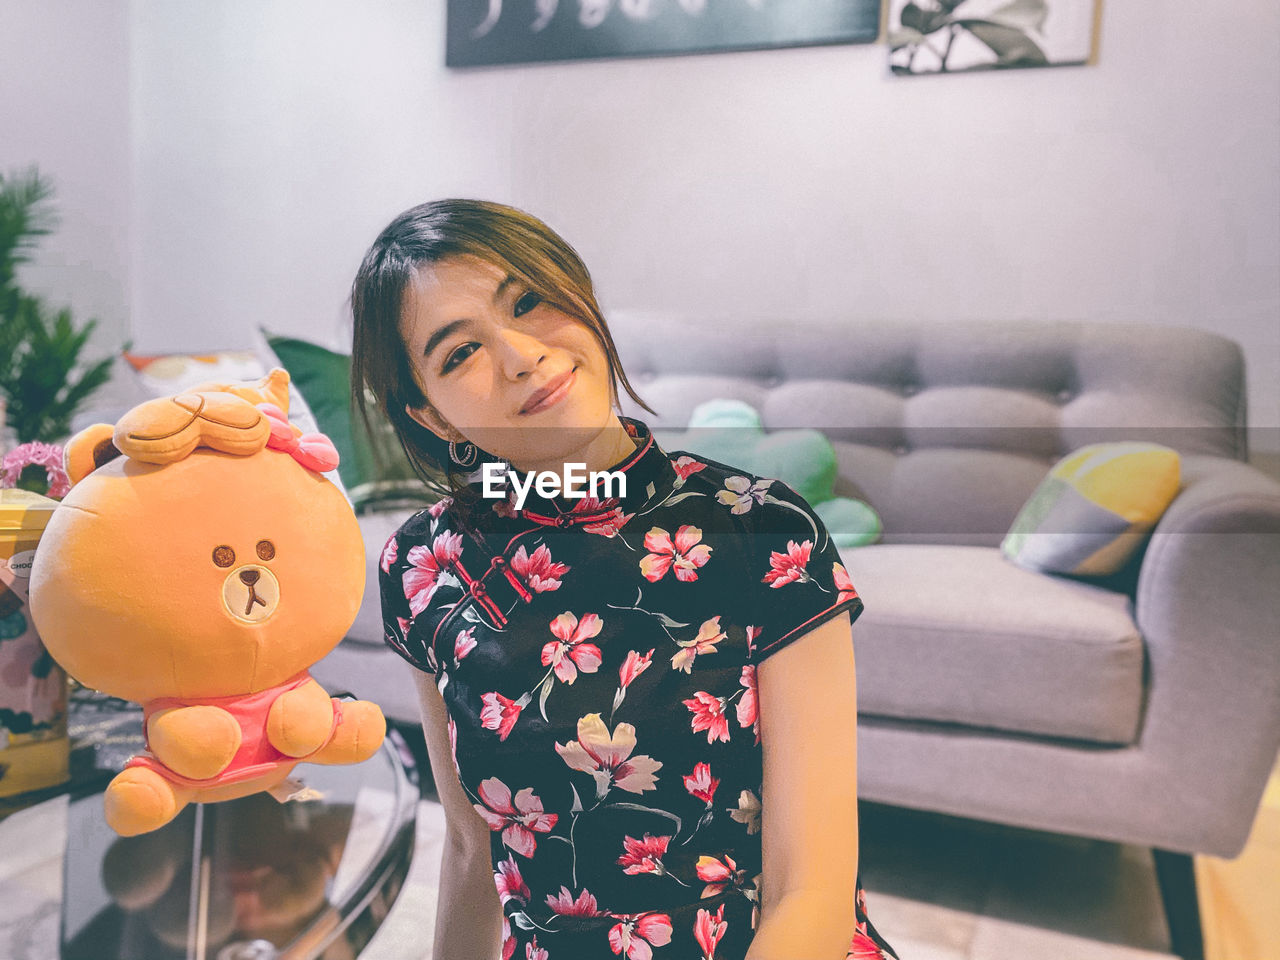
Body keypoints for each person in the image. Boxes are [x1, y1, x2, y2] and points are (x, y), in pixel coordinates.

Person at [351, 199, 899, 960]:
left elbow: (810, 888)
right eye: (458, 354)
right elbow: (474, 855)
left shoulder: (760, 528)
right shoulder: (421, 567)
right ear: (430, 415)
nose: (519, 355)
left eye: (529, 300)